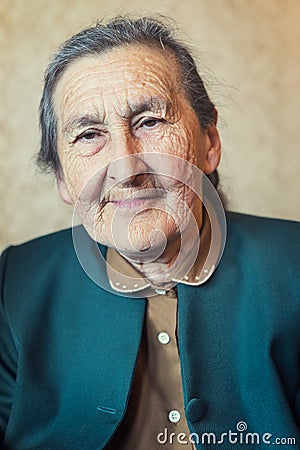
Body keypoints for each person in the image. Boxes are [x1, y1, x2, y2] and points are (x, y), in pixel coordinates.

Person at [0, 15, 299, 450]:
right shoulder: (13, 285)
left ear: (209, 140)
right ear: (63, 179)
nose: (126, 167)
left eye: (150, 122)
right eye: (89, 134)